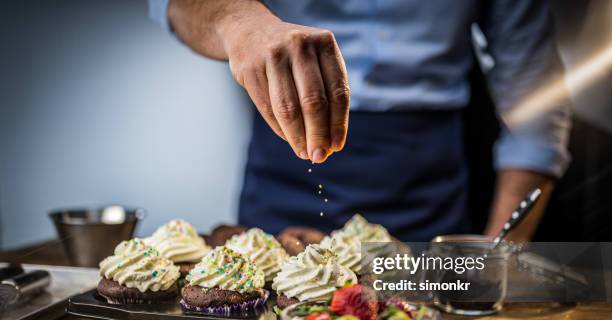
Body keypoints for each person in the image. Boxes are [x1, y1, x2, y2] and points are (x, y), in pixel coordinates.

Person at [148, 0, 571, 242]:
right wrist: (239, 24)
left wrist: (498, 255)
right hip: (284, 164)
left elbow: (537, 104)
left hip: (424, 184)